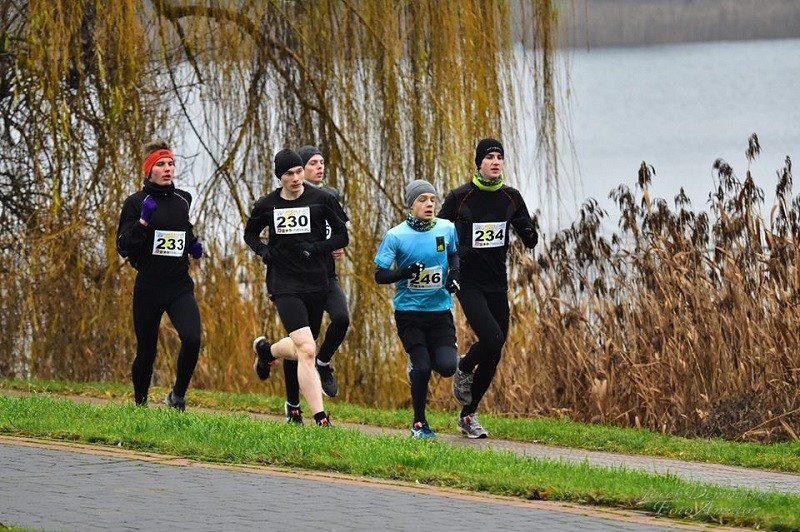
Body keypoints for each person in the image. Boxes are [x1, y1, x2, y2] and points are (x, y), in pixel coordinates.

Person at [438, 138, 538, 439]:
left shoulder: (511, 197)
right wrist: (448, 263)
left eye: (499, 157)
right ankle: (464, 367)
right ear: (478, 162)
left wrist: (528, 232)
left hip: (497, 283)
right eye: (489, 157)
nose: (495, 162)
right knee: (492, 338)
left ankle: (468, 416)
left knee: (495, 351)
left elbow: (528, 235)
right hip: (468, 282)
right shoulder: (460, 197)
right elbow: (438, 235)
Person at [244, 148, 348, 427]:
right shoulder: (267, 204)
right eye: (289, 174)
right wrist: (264, 251)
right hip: (284, 282)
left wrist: (316, 248)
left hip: (317, 282)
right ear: (280, 177)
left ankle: (267, 352)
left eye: (299, 171)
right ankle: (320, 418)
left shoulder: (322, 199)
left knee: (303, 348)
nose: (296, 178)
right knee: (308, 348)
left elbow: (342, 236)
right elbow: (250, 234)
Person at [116, 141, 204, 411]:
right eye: (160, 164)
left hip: (178, 285)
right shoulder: (135, 203)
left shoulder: (183, 199)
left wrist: (192, 244)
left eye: (170, 164)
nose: (167, 169)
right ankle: (140, 406)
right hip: (149, 287)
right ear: (148, 170)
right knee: (147, 350)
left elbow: (181, 229)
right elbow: (123, 246)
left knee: (192, 338)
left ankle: (177, 396)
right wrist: (142, 222)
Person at [374, 179, 460, 439]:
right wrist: (404, 272)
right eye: (422, 200)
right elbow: (380, 275)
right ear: (411, 205)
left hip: (439, 311)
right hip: (409, 313)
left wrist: (454, 275)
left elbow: (454, 254)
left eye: (432, 199)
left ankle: (425, 357)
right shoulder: (396, 236)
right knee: (422, 369)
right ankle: (419, 423)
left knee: (447, 367)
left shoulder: (446, 228)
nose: (429, 204)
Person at [275, 145, 350, 424]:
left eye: (322, 162)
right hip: (297, 282)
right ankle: (293, 404)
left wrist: (335, 248)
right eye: (313, 163)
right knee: (301, 345)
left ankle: (324, 361)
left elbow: (339, 234)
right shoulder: (284, 202)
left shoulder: (329, 197)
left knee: (341, 318)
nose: (320, 167)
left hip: (326, 277)